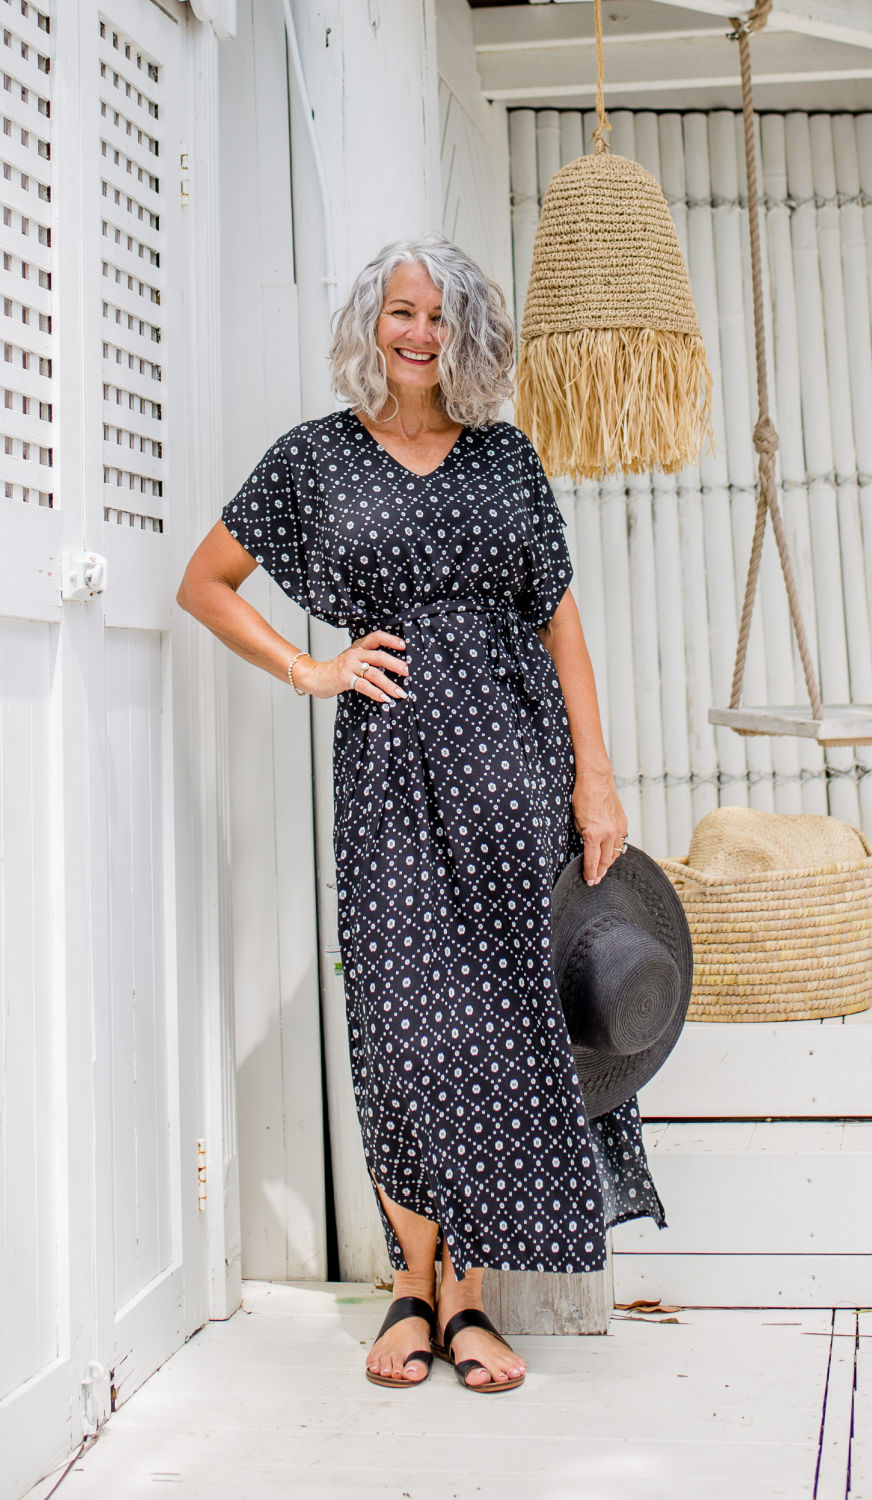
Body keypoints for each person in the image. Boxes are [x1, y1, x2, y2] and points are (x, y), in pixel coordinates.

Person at [177, 234, 665, 1393]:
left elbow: (560, 623)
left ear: (470, 335)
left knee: (498, 1033)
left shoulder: (506, 461)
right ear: (372, 321)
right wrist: (312, 671)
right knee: (402, 1036)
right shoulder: (314, 460)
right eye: (402, 311)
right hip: (389, 782)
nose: (419, 334)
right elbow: (203, 583)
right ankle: (409, 1278)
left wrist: (594, 776)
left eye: (441, 318)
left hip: (515, 774)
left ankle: (469, 1301)